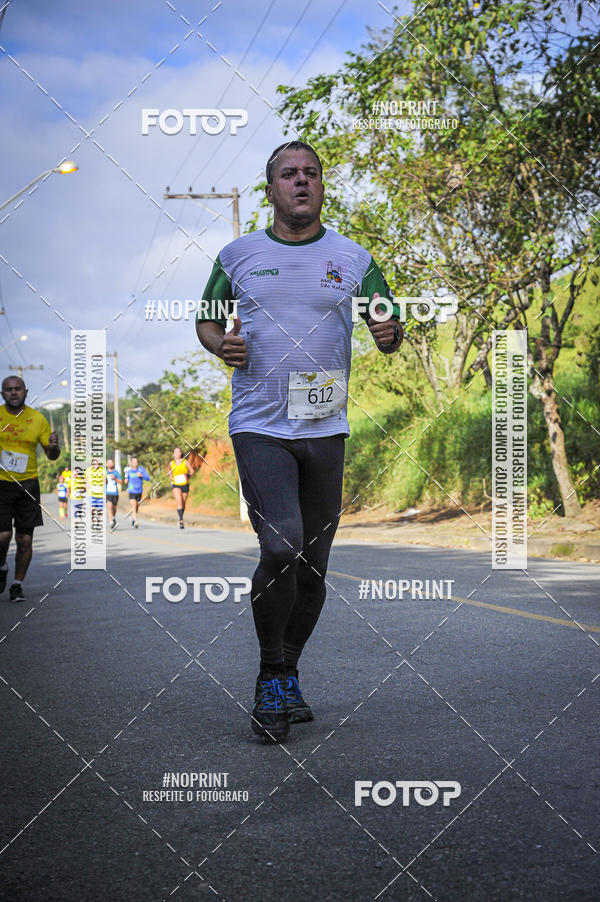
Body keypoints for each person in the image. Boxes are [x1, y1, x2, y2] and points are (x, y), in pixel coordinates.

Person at [196, 141, 402, 741]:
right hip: (259, 424)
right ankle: (268, 674)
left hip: (325, 427)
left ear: (321, 186)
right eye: (289, 174)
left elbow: (384, 322)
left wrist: (389, 332)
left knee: (313, 569)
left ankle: (286, 670)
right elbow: (209, 320)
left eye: (311, 172)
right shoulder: (238, 255)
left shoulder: (352, 257)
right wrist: (220, 344)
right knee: (282, 543)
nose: (302, 181)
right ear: (271, 190)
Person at [0, 375, 60, 601]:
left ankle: (17, 584)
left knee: (25, 539)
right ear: (2, 394)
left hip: (28, 484)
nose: (13, 393)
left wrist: (54, 446)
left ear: (25, 392)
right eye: (8, 389)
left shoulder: (37, 419)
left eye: (17, 389)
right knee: (3, 536)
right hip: (1, 483)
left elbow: (52, 455)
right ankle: (1, 565)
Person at [168, 447, 193, 529]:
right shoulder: (171, 463)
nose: (177, 454)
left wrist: (187, 476)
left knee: (183, 504)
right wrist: (171, 476)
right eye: (175, 452)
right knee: (179, 502)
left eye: (179, 452)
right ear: (173, 454)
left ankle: (180, 517)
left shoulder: (185, 462)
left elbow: (192, 471)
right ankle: (181, 521)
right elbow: (169, 472)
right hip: (176, 485)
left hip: (185, 485)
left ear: (181, 453)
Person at [124, 456, 149, 527]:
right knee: (133, 505)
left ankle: (133, 518)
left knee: (136, 507)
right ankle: (135, 521)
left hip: (139, 491)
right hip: (131, 491)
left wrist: (142, 476)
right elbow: (125, 480)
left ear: (138, 463)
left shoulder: (141, 470)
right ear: (131, 463)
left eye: (136, 462)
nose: (135, 463)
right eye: (133, 462)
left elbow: (148, 478)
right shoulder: (129, 471)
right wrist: (126, 480)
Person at [105, 459, 121, 529]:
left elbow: (120, 482)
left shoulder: (116, 472)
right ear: (106, 464)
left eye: (111, 462)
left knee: (114, 508)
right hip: (107, 492)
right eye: (108, 462)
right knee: (109, 507)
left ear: (113, 463)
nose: (109, 464)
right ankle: (111, 521)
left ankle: (113, 517)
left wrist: (115, 478)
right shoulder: (104, 472)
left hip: (115, 493)